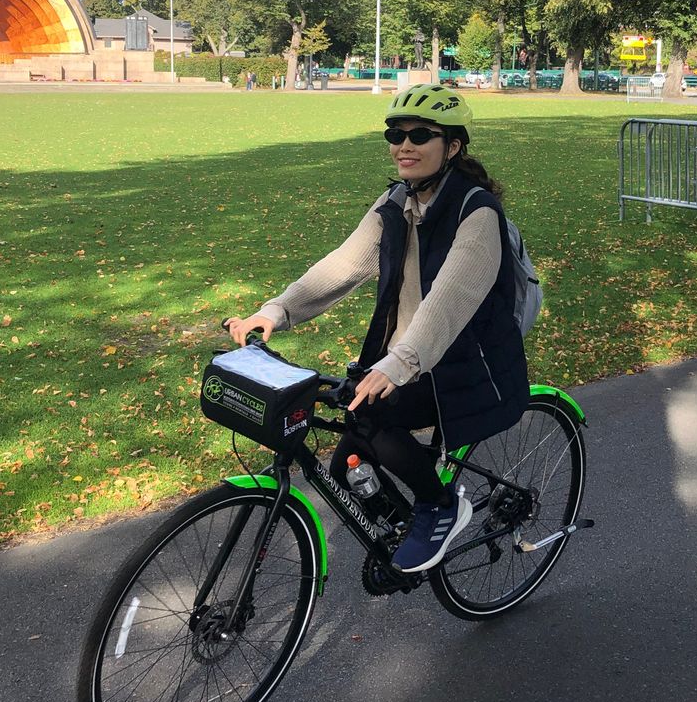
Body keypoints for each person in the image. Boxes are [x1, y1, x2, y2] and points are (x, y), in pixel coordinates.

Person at [227, 84, 529, 572]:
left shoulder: (477, 214)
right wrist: (275, 311)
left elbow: (448, 303)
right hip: (405, 357)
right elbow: (343, 266)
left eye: (420, 135)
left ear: (452, 146)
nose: (404, 144)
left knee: (375, 418)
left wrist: (399, 362)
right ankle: (407, 531)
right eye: (396, 133)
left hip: (462, 362)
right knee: (345, 466)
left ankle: (441, 506)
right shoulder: (395, 201)